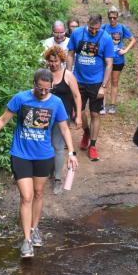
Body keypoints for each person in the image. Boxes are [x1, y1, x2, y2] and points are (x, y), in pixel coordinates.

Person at [0, 68, 79, 258]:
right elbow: (3, 119)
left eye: (47, 89)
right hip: (21, 154)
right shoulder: (21, 98)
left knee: (39, 193)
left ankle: (34, 228)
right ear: (34, 85)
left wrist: (71, 152)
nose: (43, 93)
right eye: (40, 89)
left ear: (51, 87)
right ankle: (27, 241)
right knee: (27, 196)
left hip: (44, 155)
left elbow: (64, 128)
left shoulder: (56, 103)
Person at [66, 13, 115, 162]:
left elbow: (109, 64)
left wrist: (104, 86)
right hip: (78, 80)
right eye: (91, 28)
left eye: (97, 29)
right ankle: (86, 132)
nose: (94, 31)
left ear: (100, 26)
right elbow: (70, 54)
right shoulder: (77, 33)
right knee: (79, 112)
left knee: (95, 114)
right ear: (87, 23)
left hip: (96, 82)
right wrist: (69, 75)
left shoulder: (106, 38)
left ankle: (93, 145)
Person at [44, 46, 83, 194]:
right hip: (45, 114)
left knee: (58, 145)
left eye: (56, 61)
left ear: (61, 60)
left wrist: (78, 115)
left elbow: (77, 96)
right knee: (48, 144)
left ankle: (58, 179)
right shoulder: (45, 74)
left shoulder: (68, 75)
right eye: (50, 61)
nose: (53, 64)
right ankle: (50, 171)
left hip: (62, 116)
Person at [102, 8, 135, 114]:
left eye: (114, 17)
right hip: (106, 60)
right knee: (104, 82)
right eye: (110, 17)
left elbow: (133, 39)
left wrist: (125, 50)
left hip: (118, 59)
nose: (112, 19)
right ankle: (102, 105)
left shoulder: (121, 27)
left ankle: (112, 105)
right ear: (108, 17)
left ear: (117, 17)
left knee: (115, 82)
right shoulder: (104, 27)